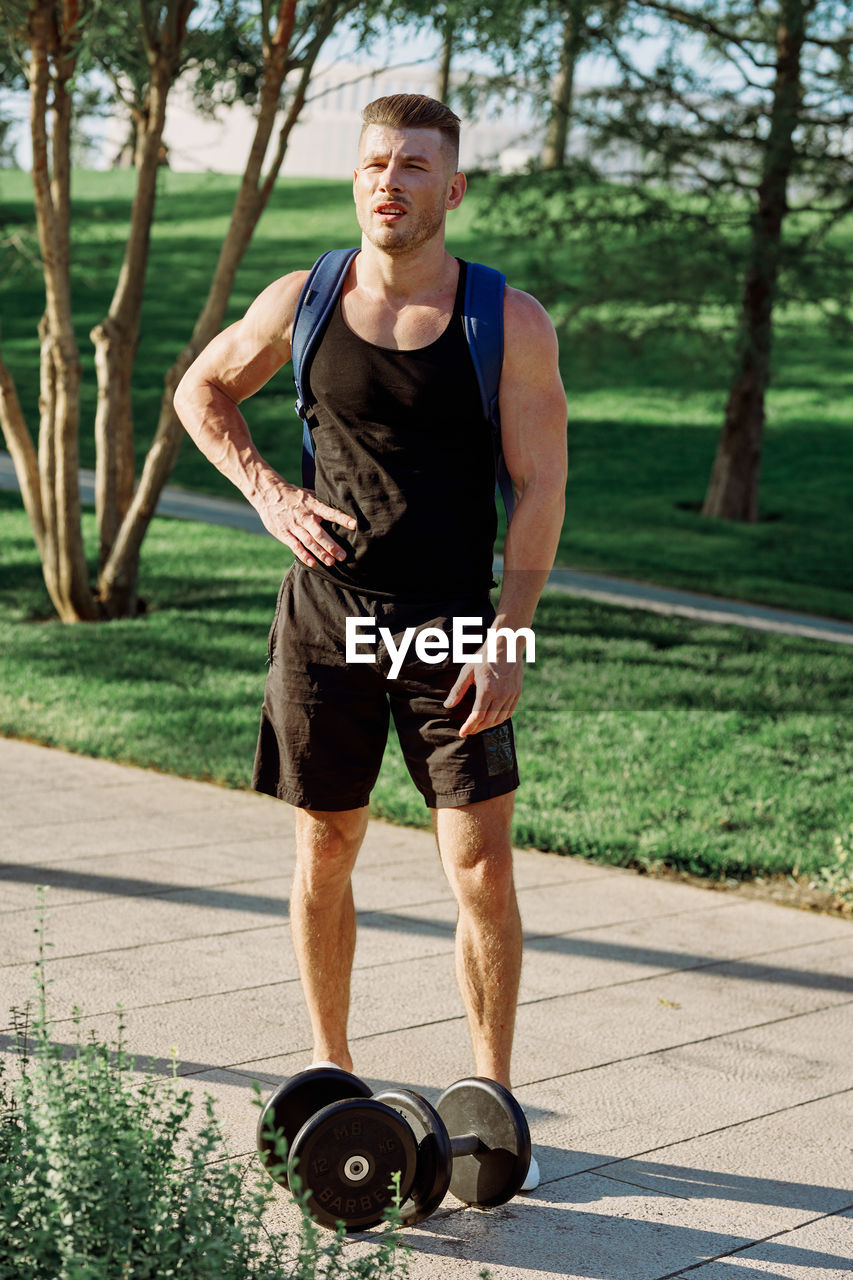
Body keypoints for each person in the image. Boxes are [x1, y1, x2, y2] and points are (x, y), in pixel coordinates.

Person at [174, 94, 567, 1193]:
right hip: (326, 620)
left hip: (454, 625)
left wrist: (511, 638)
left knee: (480, 865)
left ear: (454, 188)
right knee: (325, 848)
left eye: (415, 166)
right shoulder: (303, 297)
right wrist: (263, 489)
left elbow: (541, 490)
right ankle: (329, 1071)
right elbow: (201, 387)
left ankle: (489, 1101)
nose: (390, 181)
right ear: (356, 179)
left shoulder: (507, 320)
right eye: (374, 163)